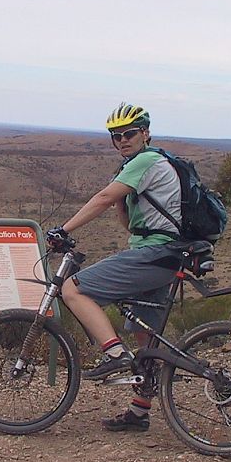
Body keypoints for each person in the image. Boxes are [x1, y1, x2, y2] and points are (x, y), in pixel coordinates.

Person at [45, 102, 183, 432]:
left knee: (72, 288)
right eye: (115, 136)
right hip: (163, 254)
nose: (122, 140)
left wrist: (64, 230)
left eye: (129, 133)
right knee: (145, 337)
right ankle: (139, 412)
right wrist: (124, 200)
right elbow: (129, 225)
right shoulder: (141, 165)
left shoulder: (148, 160)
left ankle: (113, 355)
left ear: (145, 134)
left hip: (155, 254)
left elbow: (103, 198)